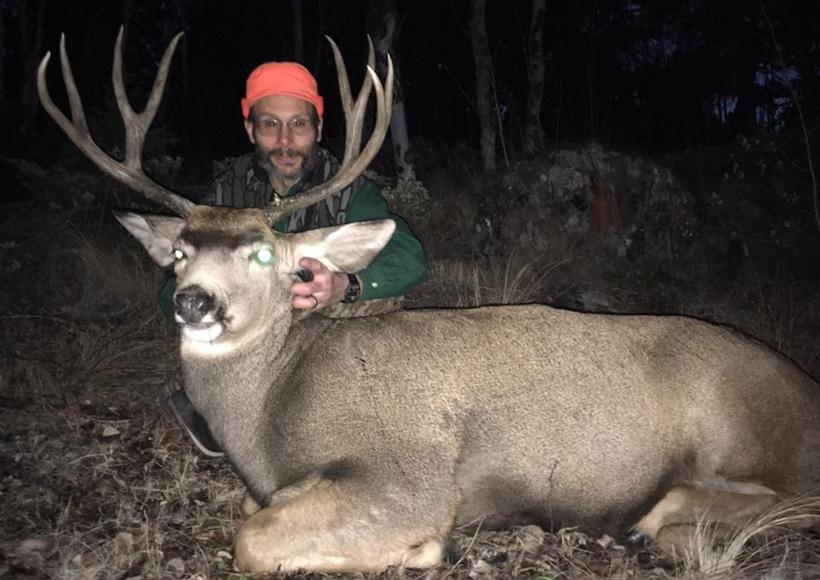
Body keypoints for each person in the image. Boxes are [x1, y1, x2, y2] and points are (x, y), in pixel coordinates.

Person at [166, 60, 428, 456]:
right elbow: (172, 285)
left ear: (317, 129)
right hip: (252, 333)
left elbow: (409, 256)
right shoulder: (227, 195)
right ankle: (227, 410)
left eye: (299, 124)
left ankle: (356, 409)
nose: (285, 140)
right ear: (251, 130)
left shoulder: (347, 190)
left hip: (324, 328)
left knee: (377, 301)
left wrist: (346, 285)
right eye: (270, 124)